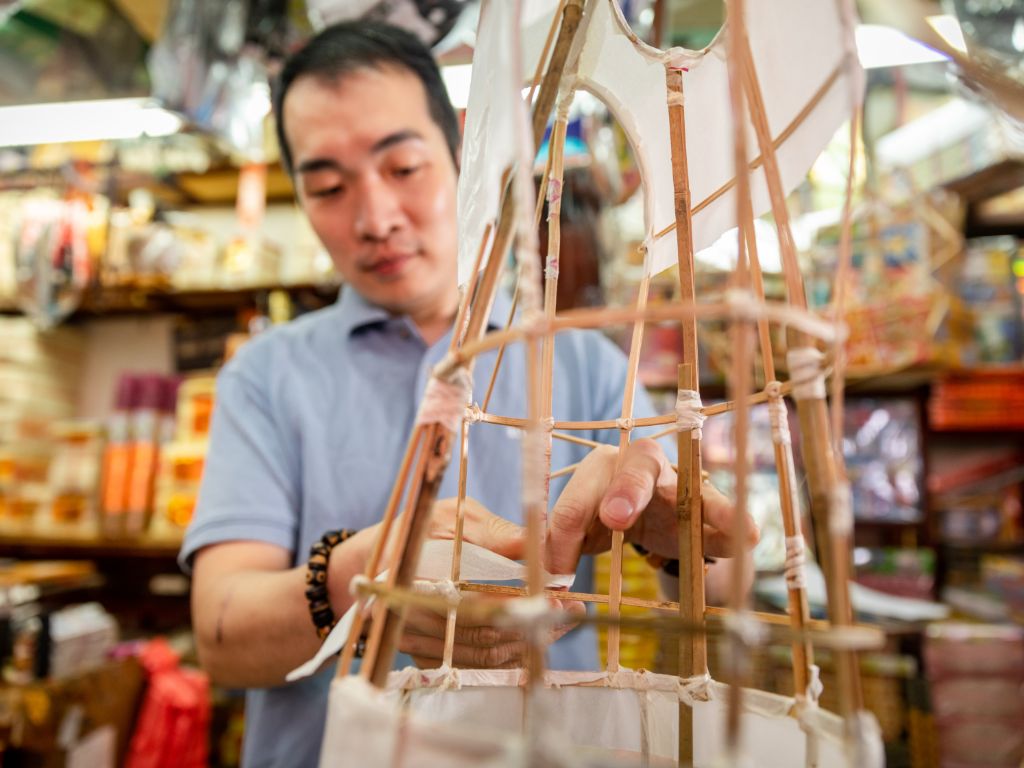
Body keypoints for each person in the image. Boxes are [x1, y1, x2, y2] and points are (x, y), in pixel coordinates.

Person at [181, 19, 756, 768]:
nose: (376, 217)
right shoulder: (265, 376)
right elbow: (220, 637)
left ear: (459, 150)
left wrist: (669, 530)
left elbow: (736, 583)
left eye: (405, 167)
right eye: (327, 186)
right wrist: (364, 578)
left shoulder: (582, 363)